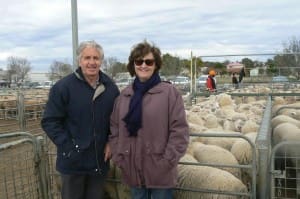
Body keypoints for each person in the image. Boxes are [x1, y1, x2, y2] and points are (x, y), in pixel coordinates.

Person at [109, 40, 189, 199]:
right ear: (133, 65)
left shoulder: (169, 93)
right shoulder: (124, 95)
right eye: (139, 61)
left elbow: (179, 131)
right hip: (133, 171)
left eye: (149, 61)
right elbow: (114, 129)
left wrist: (166, 162)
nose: (143, 65)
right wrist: (120, 158)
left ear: (156, 65)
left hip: (160, 172)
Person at [41, 40, 120, 199]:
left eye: (96, 58)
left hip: (99, 161)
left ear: (101, 61)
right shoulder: (63, 87)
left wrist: (112, 142)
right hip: (73, 164)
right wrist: (69, 147)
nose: (92, 62)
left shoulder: (110, 88)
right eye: (87, 58)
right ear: (79, 60)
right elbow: (50, 121)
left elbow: (117, 120)